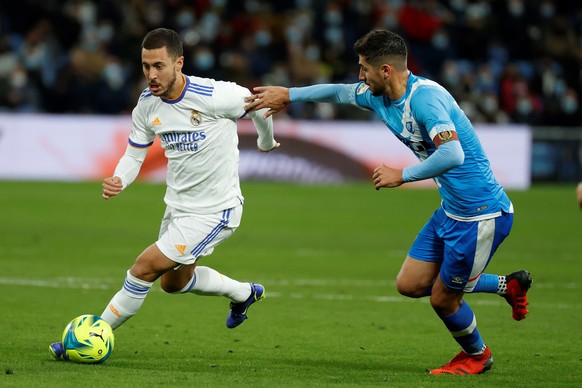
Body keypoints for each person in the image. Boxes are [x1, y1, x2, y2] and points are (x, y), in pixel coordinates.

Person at [244, 29, 531, 375]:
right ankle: (507, 285)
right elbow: (337, 91)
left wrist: (403, 175)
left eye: (364, 68)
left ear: (386, 71)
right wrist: (289, 94)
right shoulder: (377, 95)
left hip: (481, 215)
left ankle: (478, 355)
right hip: (451, 211)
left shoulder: (425, 100)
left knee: (443, 297)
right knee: (410, 284)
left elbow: (453, 153)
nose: (360, 76)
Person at [49, 28, 279, 359]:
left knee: (143, 267)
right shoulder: (146, 105)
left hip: (215, 210)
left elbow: (260, 105)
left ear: (179, 63)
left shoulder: (214, 95)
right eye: (146, 66)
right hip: (177, 207)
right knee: (173, 283)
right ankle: (244, 293)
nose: (151, 75)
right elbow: (134, 152)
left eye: (159, 66)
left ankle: (91, 336)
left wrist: (265, 141)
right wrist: (119, 179)